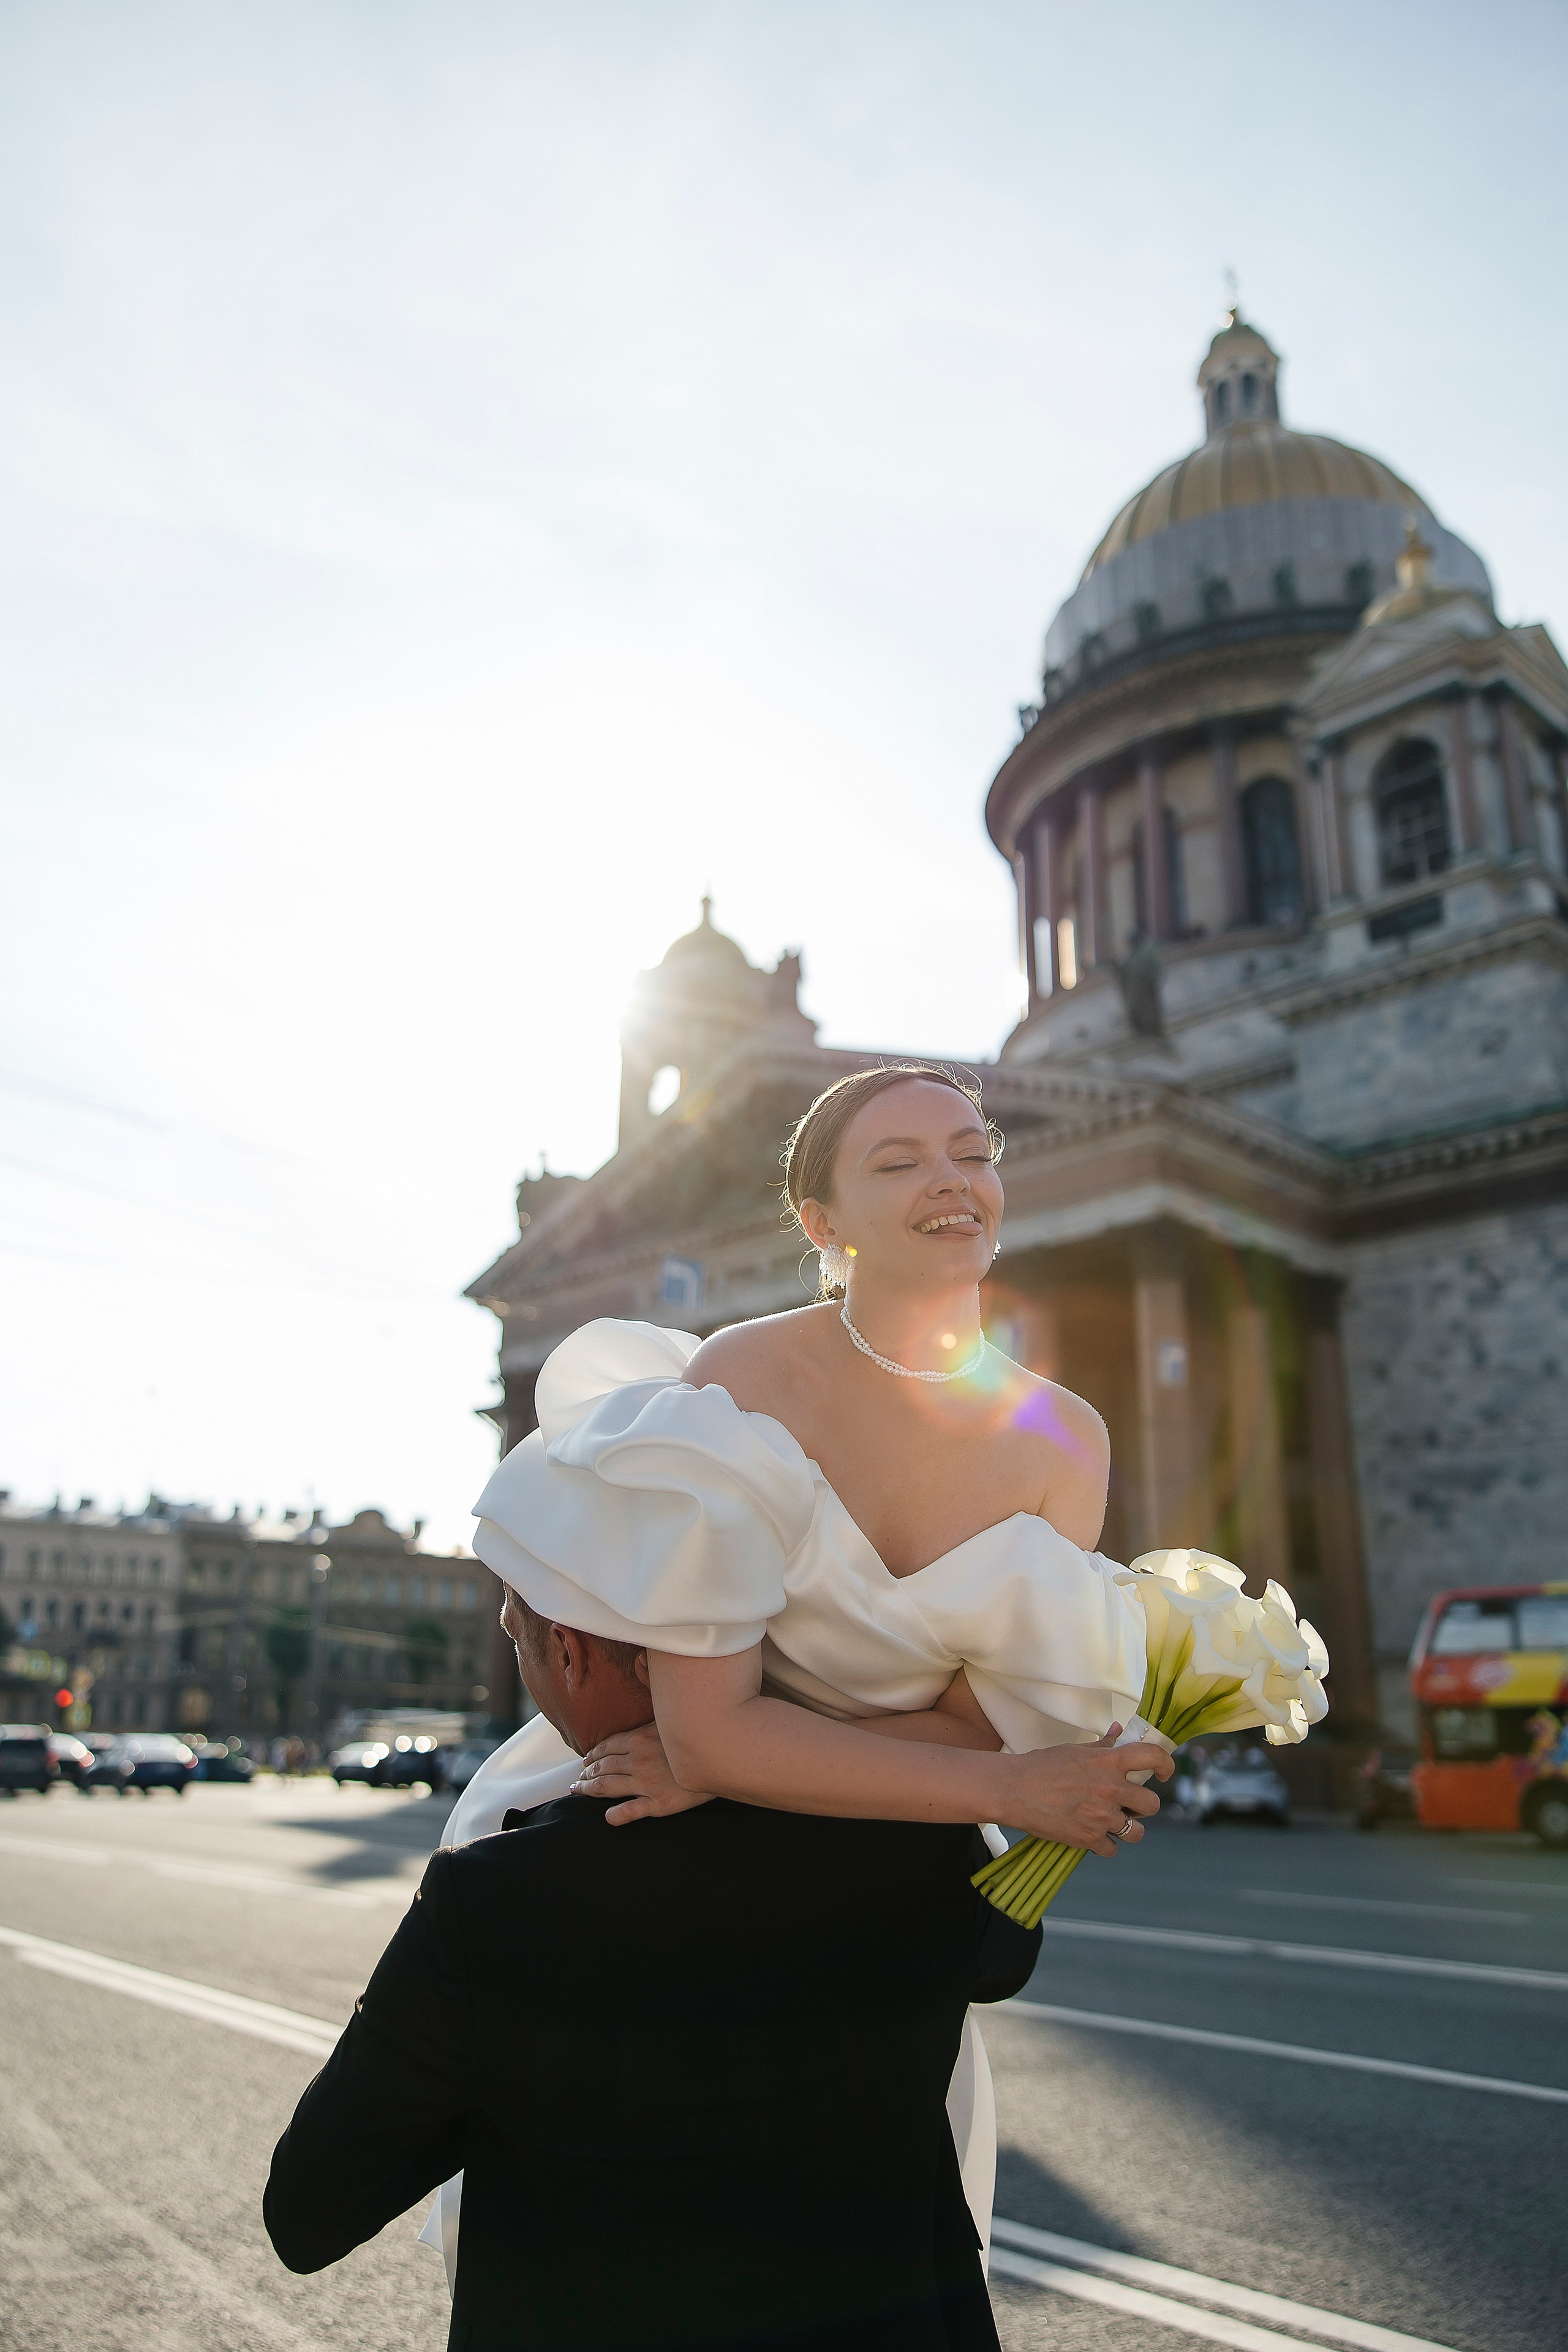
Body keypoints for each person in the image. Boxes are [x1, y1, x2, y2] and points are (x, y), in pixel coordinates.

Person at [449, 1063, 1174, 2261]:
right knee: (667, 2256)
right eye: (897, 1163)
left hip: (875, 1907)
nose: (950, 1180)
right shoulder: (740, 1379)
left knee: (866, 2259)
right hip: (678, 1873)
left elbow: (973, 1720)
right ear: (820, 1224)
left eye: (971, 1150)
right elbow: (703, 1733)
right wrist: (1001, 1791)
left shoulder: (1064, 1439)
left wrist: (743, 1761)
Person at [265, 1585, 1041, 2352]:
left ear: (568, 1652)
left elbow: (308, 2212)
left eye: (517, 1633)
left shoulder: (494, 1900)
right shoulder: (921, 1844)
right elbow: (1004, 1956)